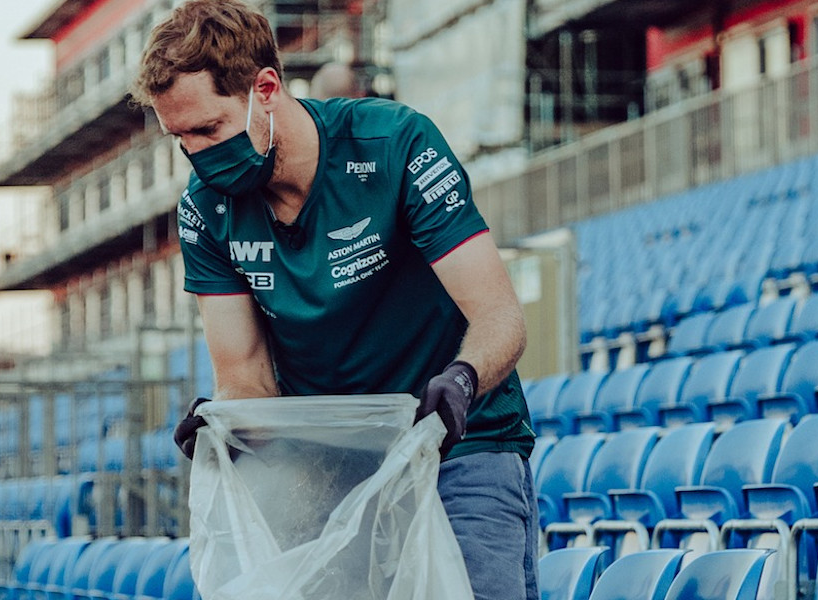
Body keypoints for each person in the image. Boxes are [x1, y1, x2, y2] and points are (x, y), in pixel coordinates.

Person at [131, 1, 538, 599]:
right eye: (179, 137)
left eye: (209, 129)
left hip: (457, 447)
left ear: (264, 88)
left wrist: (463, 378)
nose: (195, 153)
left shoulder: (396, 144)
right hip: (332, 469)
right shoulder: (205, 209)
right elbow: (245, 378)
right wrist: (226, 427)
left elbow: (501, 317)